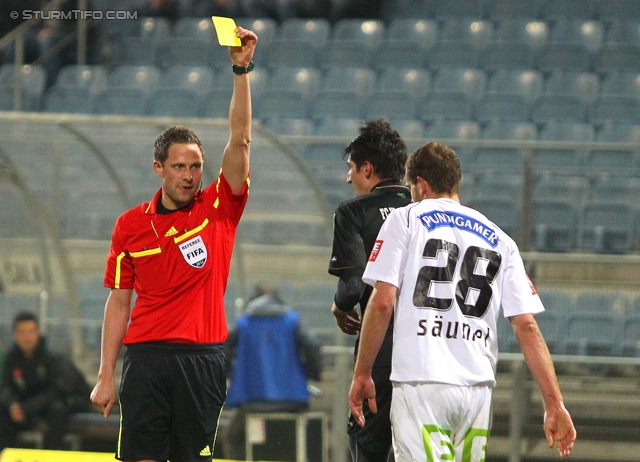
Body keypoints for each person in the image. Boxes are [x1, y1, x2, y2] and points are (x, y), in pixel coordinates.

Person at [89, 26, 258, 462]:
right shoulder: (130, 226)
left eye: (196, 166)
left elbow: (240, 139)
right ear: (159, 169)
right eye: (179, 166)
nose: (189, 175)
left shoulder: (219, 206)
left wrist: (241, 70)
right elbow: (118, 303)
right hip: (144, 360)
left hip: (202, 361)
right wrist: (106, 373)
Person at [349, 142, 577, 461]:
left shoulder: (405, 220)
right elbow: (526, 327)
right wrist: (555, 403)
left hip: (422, 381)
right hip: (477, 389)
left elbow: (383, 301)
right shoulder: (501, 240)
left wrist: (362, 373)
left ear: (421, 184)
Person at [328, 119, 411, 462]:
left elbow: (354, 283)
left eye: (351, 169)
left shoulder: (354, 212)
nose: (349, 179)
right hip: (425, 355)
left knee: (368, 448)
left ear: (368, 168)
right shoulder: (423, 211)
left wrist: (339, 307)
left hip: (378, 352)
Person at [222, 283, 323, 460]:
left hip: (252, 402)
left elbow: (222, 350)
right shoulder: (293, 321)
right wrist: (314, 372)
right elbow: (312, 345)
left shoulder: (243, 324)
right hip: (292, 401)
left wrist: (232, 374)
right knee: (299, 439)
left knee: (232, 437)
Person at [0, 311, 92, 451]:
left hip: (65, 402)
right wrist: (13, 405)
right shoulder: (12, 358)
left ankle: (51, 455)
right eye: (21, 332)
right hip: (31, 406)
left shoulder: (52, 357)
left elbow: (58, 391)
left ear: (38, 333)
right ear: (15, 335)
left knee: (57, 409)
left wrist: (26, 408)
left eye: (30, 331)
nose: (26, 337)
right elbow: (6, 386)